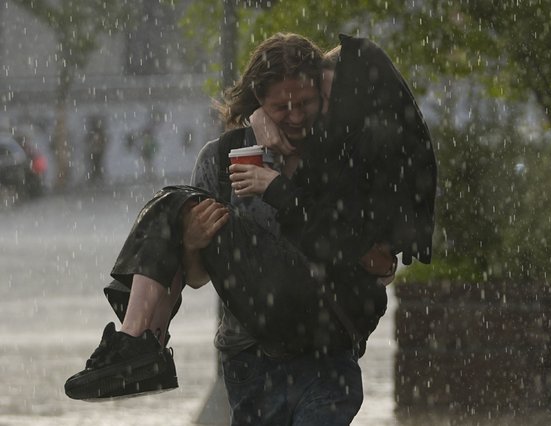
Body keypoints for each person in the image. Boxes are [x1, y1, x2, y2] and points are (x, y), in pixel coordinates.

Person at [65, 32, 436, 425]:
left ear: (324, 99)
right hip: (250, 358)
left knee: (172, 202)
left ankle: (141, 342)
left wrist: (278, 186)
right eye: (280, 107)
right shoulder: (222, 158)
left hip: (324, 348)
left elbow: (373, 258)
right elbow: (196, 277)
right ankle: (140, 341)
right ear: (259, 101)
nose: (294, 115)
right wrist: (193, 244)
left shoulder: (338, 155)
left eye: (305, 103)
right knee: (175, 204)